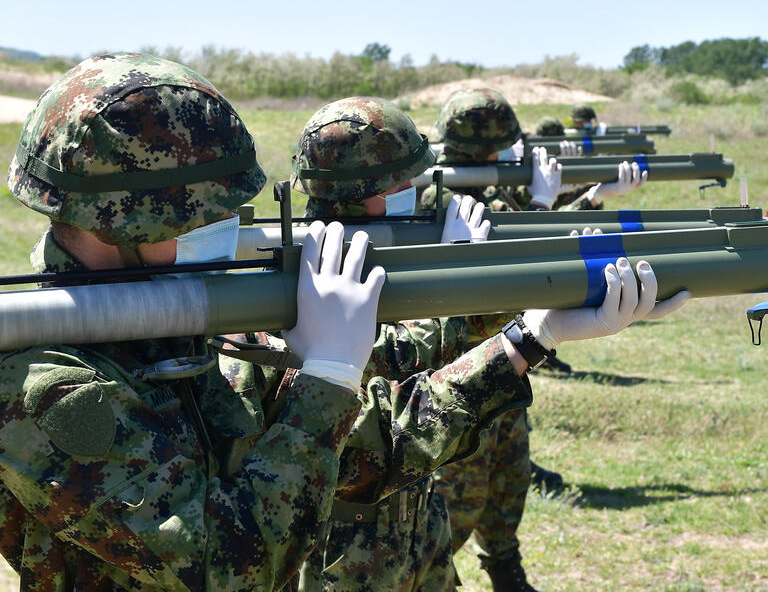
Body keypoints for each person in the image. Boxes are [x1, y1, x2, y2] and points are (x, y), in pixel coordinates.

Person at [0, 56, 537, 591]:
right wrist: (327, 378)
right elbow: (229, 567)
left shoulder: (196, 329)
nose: (229, 226)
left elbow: (364, 457)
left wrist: (527, 341)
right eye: (202, 213)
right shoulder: (47, 388)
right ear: (115, 221)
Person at [419, 88, 650, 590]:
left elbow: (521, 226)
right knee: (458, 498)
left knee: (509, 476)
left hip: (504, 359)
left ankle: (505, 570)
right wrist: (545, 200)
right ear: (490, 147)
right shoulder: (445, 197)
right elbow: (519, 264)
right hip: (459, 367)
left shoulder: (482, 188)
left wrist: (589, 197)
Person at [290, 96, 506, 591]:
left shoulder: (387, 253)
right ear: (353, 193)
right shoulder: (310, 276)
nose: (412, 192)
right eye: (398, 185)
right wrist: (456, 282)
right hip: (343, 547)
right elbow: (387, 364)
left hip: (418, 520)